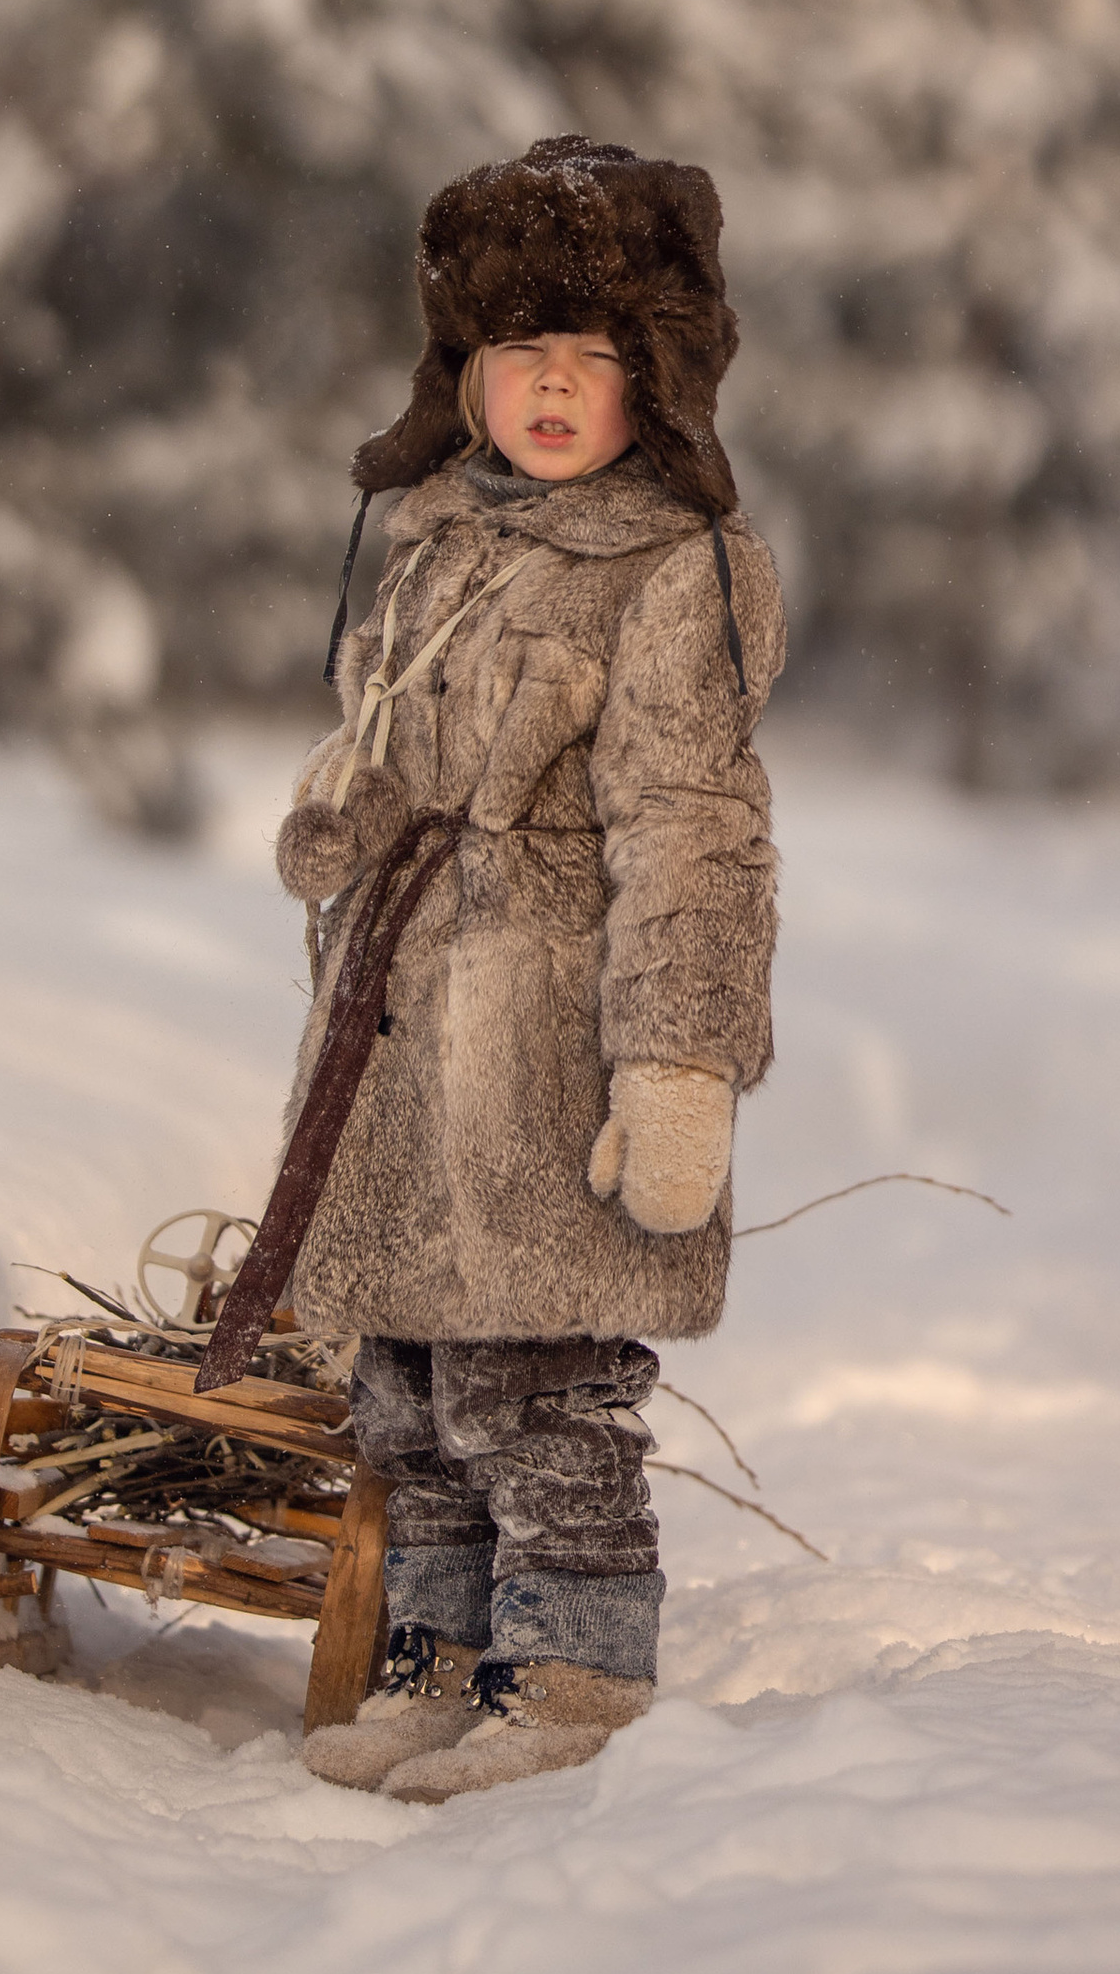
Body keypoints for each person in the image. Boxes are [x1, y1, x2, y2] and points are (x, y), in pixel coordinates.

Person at [274, 136, 783, 1803]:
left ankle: (571, 1670)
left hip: (550, 1036)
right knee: (412, 1383)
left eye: (593, 358)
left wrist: (679, 1062)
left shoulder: (670, 574)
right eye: (520, 356)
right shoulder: (439, 539)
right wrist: (342, 806)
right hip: (406, 1024)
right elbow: (388, 722)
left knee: (531, 1373)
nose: (554, 389)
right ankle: (442, 1659)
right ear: (465, 376)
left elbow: (696, 829)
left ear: (656, 379)